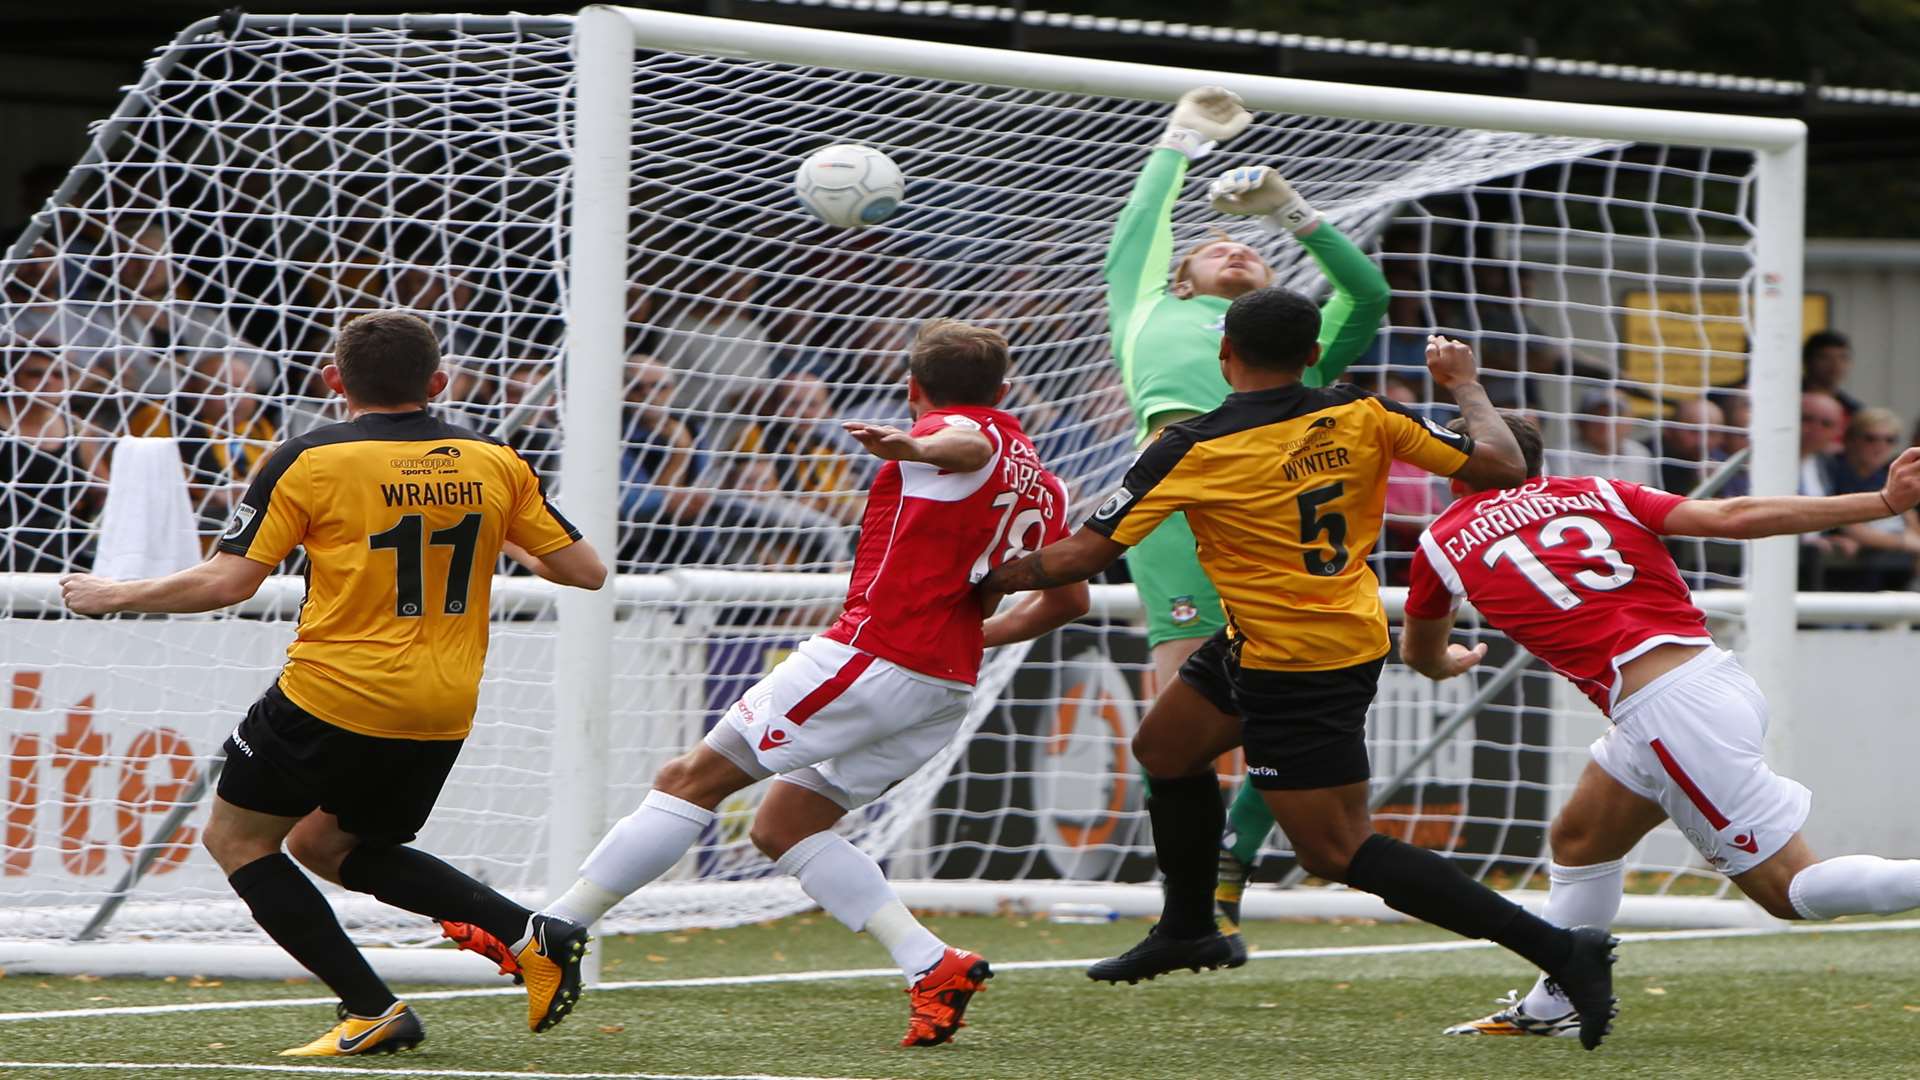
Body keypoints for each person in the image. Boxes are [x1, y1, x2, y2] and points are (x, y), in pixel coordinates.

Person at [978, 292, 1620, 1051]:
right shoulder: (1366, 413)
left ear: (1225, 358)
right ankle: (1188, 926)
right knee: (1164, 751)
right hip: (1276, 637)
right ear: (1313, 354)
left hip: (1299, 666)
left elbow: (1081, 556)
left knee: (1336, 850)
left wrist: (983, 579)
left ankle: (1562, 950)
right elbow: (1505, 464)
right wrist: (1466, 385)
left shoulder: (1191, 446)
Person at [57, 310, 608, 1055]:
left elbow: (229, 582)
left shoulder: (310, 457)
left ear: (333, 381)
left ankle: (368, 1008)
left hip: (334, 690)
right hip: (441, 704)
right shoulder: (494, 462)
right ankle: (527, 933)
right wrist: (493, 523)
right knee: (330, 844)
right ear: (439, 382)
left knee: (238, 840)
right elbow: (585, 571)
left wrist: (114, 594)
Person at [531, 319, 1089, 1048]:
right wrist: (973, 632)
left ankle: (555, 926)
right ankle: (932, 964)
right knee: (784, 825)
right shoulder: (1044, 484)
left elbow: (964, 443)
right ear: (1007, 388)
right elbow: (1068, 600)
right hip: (941, 687)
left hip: (871, 657)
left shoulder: (958, 436)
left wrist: (916, 445)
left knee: (688, 778)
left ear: (913, 388)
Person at [1400, 414, 1920, 1039]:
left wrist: (1447, 662)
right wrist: (1883, 501)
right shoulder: (1597, 491)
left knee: (1790, 891)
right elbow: (1734, 517)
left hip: (1668, 716)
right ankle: (1556, 1002)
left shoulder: (1442, 540)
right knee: (1581, 840)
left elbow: (1422, 654)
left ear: (1452, 466)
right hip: (1708, 678)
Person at [1103, 86, 1393, 928]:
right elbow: (1135, 236)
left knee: (1281, 708)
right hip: (1173, 525)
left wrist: (1292, 211)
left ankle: (1234, 856)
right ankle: (1192, 897)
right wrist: (1179, 137)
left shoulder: (1295, 344)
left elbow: (1367, 294)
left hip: (1276, 525)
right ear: (1181, 280)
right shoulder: (1149, 309)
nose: (1233, 246)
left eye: (1249, 247)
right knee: (1176, 733)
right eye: (1213, 245)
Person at [1818, 406, 1920, 590]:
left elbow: (1909, 515)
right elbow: (1849, 523)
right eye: (1870, 438)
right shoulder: (1833, 471)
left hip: (1885, 581)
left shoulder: (1886, 475)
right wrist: (1904, 542)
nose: (1880, 446)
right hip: (1835, 584)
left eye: (1889, 440)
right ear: (1850, 440)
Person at [1546, 389, 1657, 488]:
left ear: (1629, 422)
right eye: (1598, 416)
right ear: (1581, 423)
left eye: (1614, 415)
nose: (1606, 423)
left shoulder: (1639, 454)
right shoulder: (1562, 455)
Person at [1800, 329, 1862, 418]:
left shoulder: (1853, 411)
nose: (1835, 364)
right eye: (1825, 358)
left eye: (1843, 358)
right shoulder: (1786, 400)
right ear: (1807, 361)